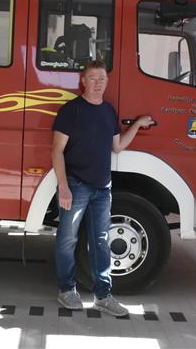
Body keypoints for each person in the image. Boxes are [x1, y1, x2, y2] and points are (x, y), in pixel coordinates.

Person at [51, 59, 154, 317]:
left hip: (102, 189)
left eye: (102, 79)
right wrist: (63, 187)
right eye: (93, 78)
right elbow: (56, 150)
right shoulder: (71, 110)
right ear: (83, 81)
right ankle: (66, 290)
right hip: (75, 186)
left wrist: (138, 125)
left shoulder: (108, 111)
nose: (98, 83)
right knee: (67, 240)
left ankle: (103, 296)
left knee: (101, 242)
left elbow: (116, 147)